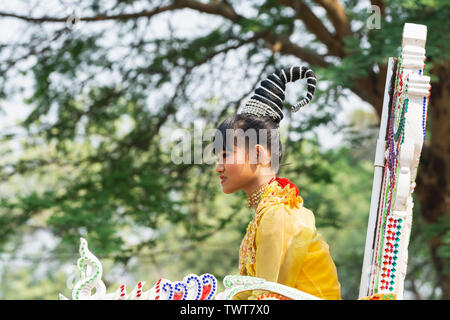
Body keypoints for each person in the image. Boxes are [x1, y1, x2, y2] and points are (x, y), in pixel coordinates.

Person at [213, 66, 341, 300]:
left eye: (225, 155)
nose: (218, 166)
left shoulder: (277, 214)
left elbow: (265, 299)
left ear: (259, 155)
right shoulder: (267, 213)